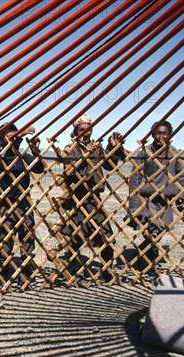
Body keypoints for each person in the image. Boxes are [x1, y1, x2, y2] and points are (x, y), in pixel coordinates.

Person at [54, 114, 125, 282]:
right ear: (75, 131)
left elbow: (109, 165)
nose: (85, 133)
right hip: (77, 200)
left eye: (88, 130)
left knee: (107, 236)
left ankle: (106, 270)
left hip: (94, 199)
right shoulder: (70, 148)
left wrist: (112, 147)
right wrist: (85, 156)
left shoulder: (97, 148)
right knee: (75, 239)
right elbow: (69, 172)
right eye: (81, 130)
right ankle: (75, 274)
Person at [126, 121, 184, 272]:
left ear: (170, 135)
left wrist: (182, 197)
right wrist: (135, 205)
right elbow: (135, 179)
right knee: (153, 230)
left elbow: (181, 177)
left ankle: (139, 258)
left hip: (166, 200)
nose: (161, 136)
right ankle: (147, 261)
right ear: (152, 134)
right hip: (147, 199)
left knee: (160, 231)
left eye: (165, 133)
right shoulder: (144, 153)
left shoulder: (174, 153)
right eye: (158, 133)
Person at [0, 123, 45, 283]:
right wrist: (22, 132)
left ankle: (26, 270)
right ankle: (4, 270)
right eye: (8, 135)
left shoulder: (23, 156)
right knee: (6, 237)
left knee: (27, 235)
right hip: (6, 202)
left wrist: (35, 150)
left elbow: (38, 168)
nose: (11, 138)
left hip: (24, 202)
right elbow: (9, 145)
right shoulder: (0, 154)